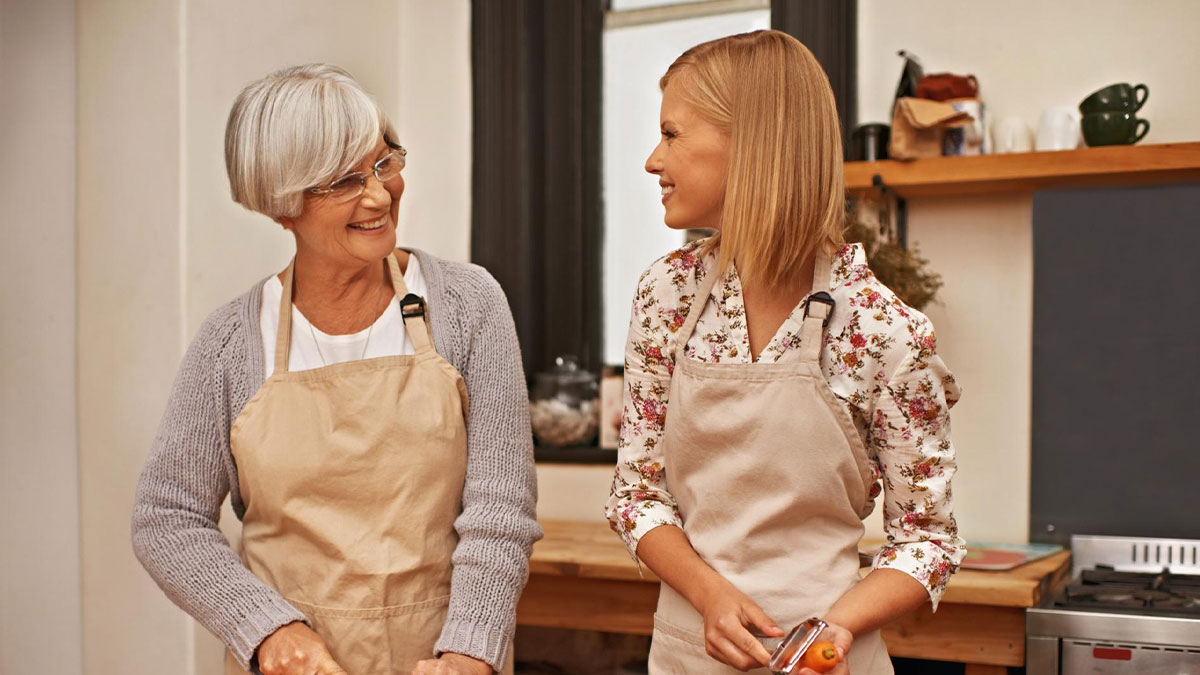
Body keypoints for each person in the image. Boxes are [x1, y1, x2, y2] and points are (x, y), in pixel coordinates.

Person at [132, 64, 541, 675]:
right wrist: (267, 629)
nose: (378, 195)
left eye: (384, 164)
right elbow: (167, 516)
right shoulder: (229, 342)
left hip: (443, 658)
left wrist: (470, 652)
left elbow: (500, 506)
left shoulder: (467, 304)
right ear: (282, 205)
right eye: (343, 181)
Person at [604, 31, 966, 674]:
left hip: (828, 660)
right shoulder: (668, 295)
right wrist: (710, 594)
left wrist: (838, 626)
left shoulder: (884, 330)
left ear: (752, 143)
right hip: (688, 650)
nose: (653, 160)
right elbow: (636, 495)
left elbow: (927, 539)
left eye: (672, 133)